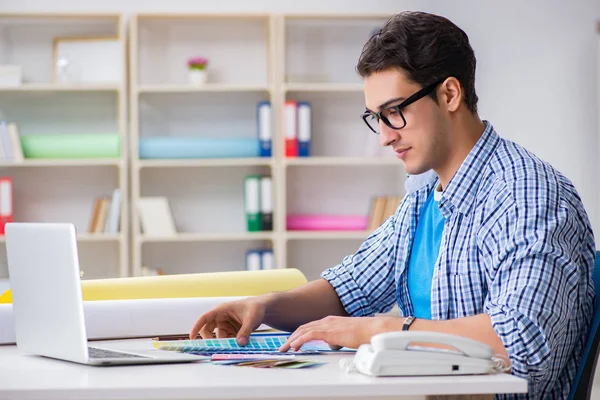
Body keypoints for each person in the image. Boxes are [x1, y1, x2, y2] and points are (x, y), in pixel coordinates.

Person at [189, 11, 595, 400]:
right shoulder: (424, 192)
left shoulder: (527, 195)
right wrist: (265, 305)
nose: (384, 136)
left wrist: (380, 330)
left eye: (394, 113)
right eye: (376, 117)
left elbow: (518, 342)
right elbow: (351, 287)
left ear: (449, 94)